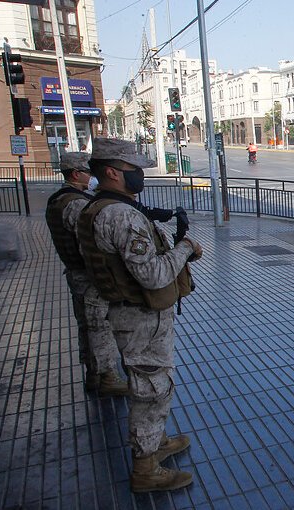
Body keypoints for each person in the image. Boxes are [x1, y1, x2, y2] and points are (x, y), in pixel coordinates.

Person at [77, 138, 202, 492]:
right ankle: (145, 467)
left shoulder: (101, 206)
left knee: (152, 385)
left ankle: (155, 440)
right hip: (140, 318)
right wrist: (185, 248)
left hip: (132, 313)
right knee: (151, 388)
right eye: (134, 171)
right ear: (113, 172)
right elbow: (153, 275)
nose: (140, 176)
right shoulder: (121, 215)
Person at [45, 152, 129, 397]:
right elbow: (91, 241)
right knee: (99, 327)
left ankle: (94, 374)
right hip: (89, 277)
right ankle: (107, 376)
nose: (92, 177)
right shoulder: (75, 203)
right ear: (75, 174)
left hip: (77, 274)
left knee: (88, 325)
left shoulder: (59, 199)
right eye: (88, 173)